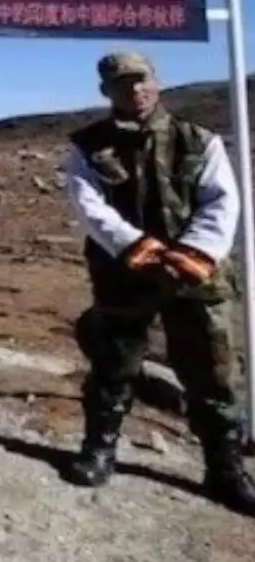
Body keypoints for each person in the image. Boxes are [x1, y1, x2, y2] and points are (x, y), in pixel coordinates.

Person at [60, 51, 255, 514]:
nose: (134, 90)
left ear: (158, 81)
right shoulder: (88, 146)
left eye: (141, 79)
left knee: (213, 372)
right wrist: (135, 248)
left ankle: (225, 469)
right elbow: (88, 204)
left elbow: (221, 201)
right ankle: (99, 449)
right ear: (105, 90)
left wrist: (192, 253)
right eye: (121, 83)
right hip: (123, 274)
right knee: (114, 364)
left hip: (196, 277)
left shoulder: (199, 140)